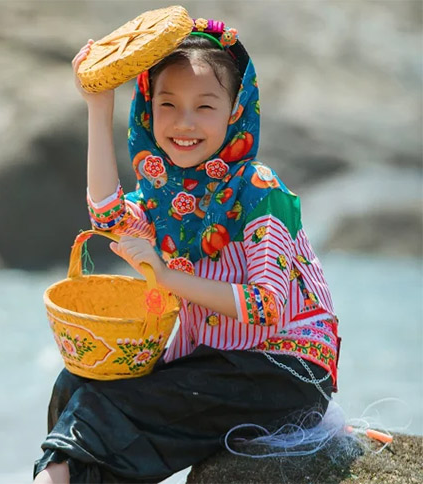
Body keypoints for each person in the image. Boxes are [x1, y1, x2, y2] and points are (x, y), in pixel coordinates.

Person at [34, 16, 341, 484]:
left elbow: (266, 305)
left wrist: (166, 275)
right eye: (168, 104)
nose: (185, 122)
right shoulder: (162, 197)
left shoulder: (259, 188)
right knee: (75, 384)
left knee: (100, 408)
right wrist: (99, 108)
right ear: (147, 108)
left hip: (284, 368)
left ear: (235, 110)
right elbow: (108, 216)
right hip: (210, 363)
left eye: (205, 106)